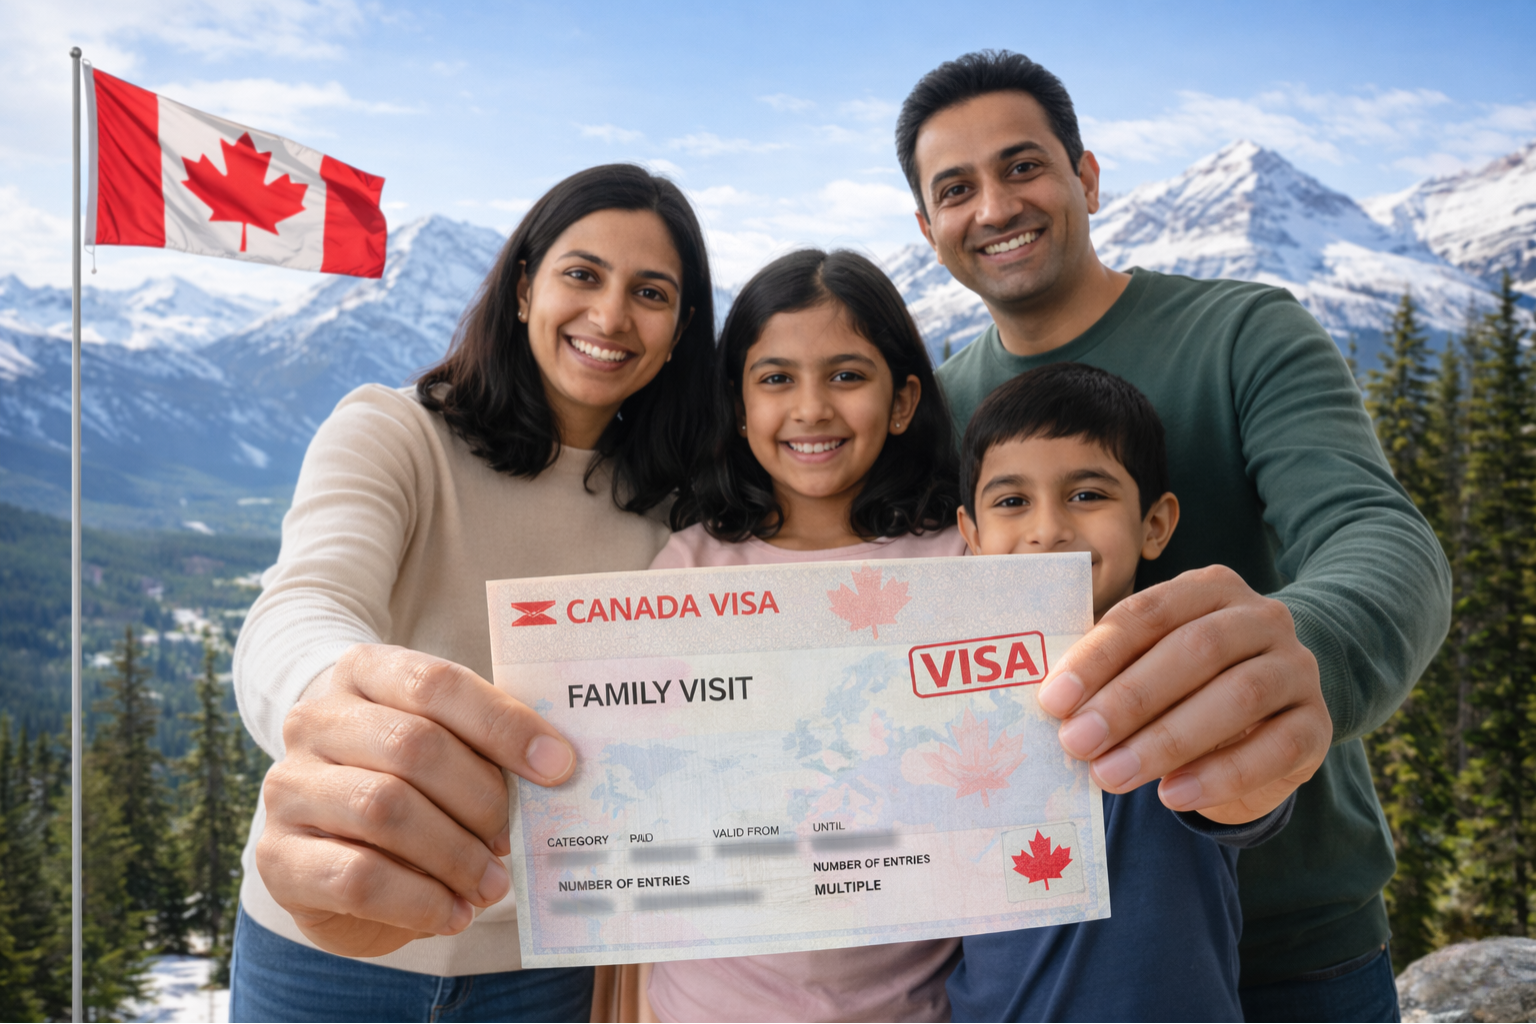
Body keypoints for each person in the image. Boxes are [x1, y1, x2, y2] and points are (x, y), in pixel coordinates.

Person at [897, 50, 1450, 1020]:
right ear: (927, 226)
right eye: (956, 189)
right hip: (1048, 957)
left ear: (1087, 178)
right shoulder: (937, 413)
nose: (993, 206)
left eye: (1023, 167)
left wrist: (1298, 659)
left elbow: (1376, 536)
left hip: (1295, 945)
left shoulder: (1243, 336)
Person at [228, 164, 718, 1023]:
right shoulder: (395, 433)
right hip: (329, 936)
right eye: (582, 274)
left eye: (650, 292)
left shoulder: (684, 514)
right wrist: (331, 698)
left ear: (679, 331)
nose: (610, 316)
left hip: (544, 965)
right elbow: (303, 603)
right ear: (525, 288)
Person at [644, 248, 968, 1021]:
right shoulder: (688, 567)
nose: (812, 408)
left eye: (848, 376)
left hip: (913, 1006)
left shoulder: (960, 559)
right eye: (777, 378)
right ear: (740, 404)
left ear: (902, 400)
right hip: (708, 1005)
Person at [948, 361, 1290, 1021]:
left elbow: (1252, 797)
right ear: (972, 537)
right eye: (1012, 501)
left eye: (1086, 495)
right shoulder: (942, 705)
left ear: (1156, 524)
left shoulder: (1191, 666)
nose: (1048, 529)